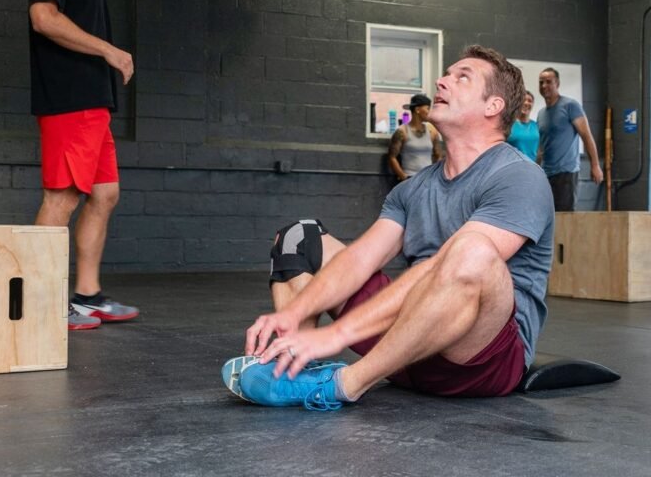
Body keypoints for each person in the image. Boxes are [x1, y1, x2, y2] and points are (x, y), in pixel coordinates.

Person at [223, 45, 555, 411]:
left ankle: (342, 385)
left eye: (462, 77)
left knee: (471, 250)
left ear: (493, 106)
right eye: (446, 73)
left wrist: (337, 334)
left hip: (479, 362)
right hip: (406, 349)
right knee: (299, 237)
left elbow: (450, 264)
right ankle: (297, 366)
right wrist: (295, 311)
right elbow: (359, 260)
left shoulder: (520, 177)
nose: (442, 81)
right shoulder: (411, 189)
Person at [29, 0, 138, 330]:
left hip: (93, 101)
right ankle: (42, 303)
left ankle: (87, 296)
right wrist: (108, 49)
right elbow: (43, 18)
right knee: (61, 197)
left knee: (105, 193)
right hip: (69, 100)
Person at [537, 68, 603, 211]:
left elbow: (586, 135)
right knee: (546, 216)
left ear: (557, 83)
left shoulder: (570, 106)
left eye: (548, 82)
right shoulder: (541, 114)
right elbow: (542, 146)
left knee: (564, 219)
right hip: (546, 174)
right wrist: (536, 169)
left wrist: (595, 165)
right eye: (541, 82)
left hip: (566, 173)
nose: (544, 86)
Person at [387, 94, 443, 181]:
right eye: (427, 108)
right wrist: (403, 177)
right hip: (410, 177)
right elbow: (392, 157)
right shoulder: (402, 131)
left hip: (427, 179)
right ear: (417, 110)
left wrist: (433, 176)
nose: (429, 112)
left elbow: (439, 155)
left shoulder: (432, 130)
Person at [507, 91, 539, 162]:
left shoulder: (537, 126)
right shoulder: (508, 126)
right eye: (523, 100)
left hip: (534, 169)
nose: (526, 103)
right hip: (515, 169)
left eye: (530, 101)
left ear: (533, 104)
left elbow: (541, 151)